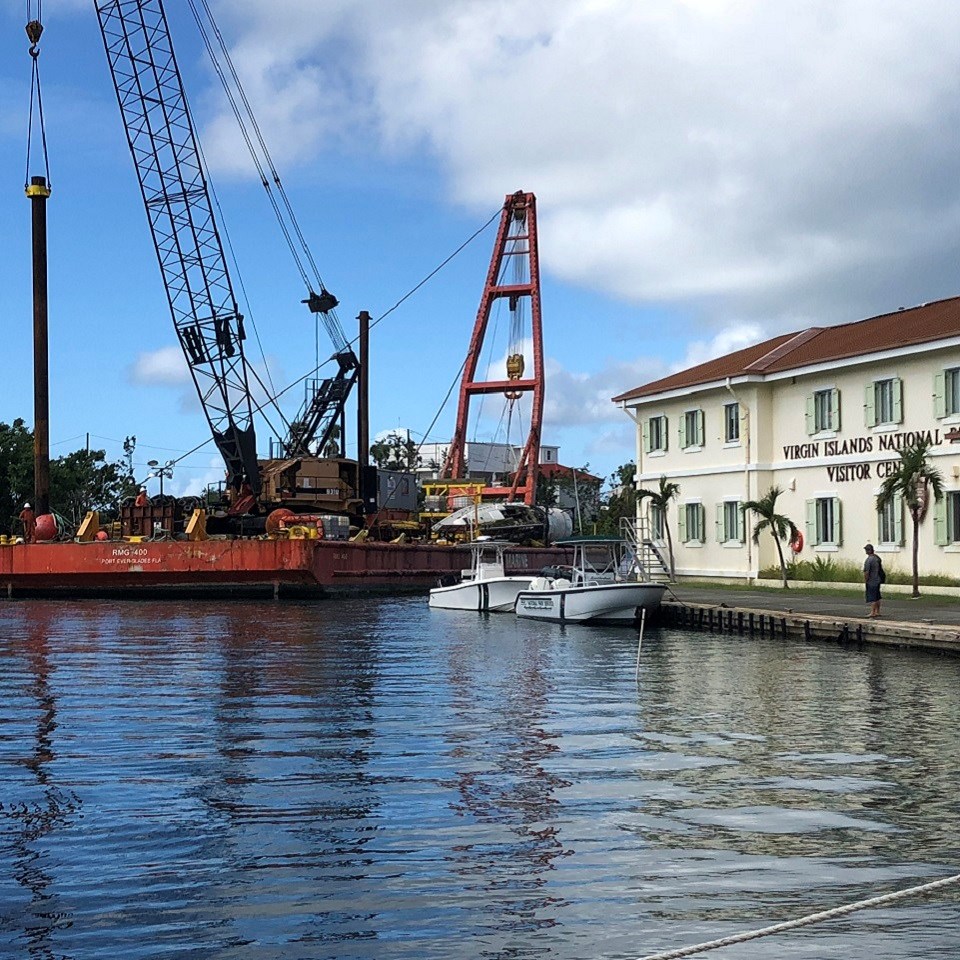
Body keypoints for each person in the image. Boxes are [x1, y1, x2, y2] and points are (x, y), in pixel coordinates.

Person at [863, 543, 882, 618]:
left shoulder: (869, 560)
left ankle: (872, 612)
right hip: (878, 579)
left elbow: (866, 572)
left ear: (868, 551)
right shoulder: (877, 558)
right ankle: (878, 611)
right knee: (877, 596)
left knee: (872, 597)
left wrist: (866, 580)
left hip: (871, 580)